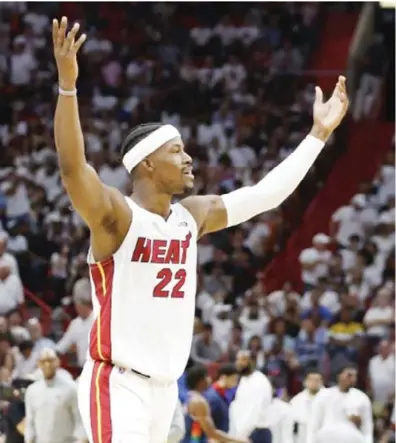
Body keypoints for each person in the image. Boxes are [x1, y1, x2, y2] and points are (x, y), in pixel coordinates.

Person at [52, 15, 349, 443]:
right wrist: (67, 85)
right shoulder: (117, 217)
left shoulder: (192, 215)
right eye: (177, 151)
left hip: (165, 388)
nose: (189, 158)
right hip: (119, 384)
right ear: (148, 164)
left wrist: (318, 135)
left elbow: (266, 195)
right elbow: (71, 168)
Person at [24, 348, 86, 443]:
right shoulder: (32, 391)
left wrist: (81, 439)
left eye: (50, 361)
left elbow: (79, 420)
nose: (47, 365)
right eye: (43, 361)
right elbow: (30, 422)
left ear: (57, 362)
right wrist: (29, 439)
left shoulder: (71, 388)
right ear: (38, 364)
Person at [307, 365, 373, 443]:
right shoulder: (324, 395)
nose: (353, 379)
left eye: (355, 376)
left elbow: (367, 428)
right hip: (327, 438)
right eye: (349, 375)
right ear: (339, 376)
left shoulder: (361, 398)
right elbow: (314, 424)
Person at [183, 365, 248, 443]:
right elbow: (211, 433)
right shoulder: (199, 402)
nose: (210, 379)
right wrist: (238, 440)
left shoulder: (190, 396)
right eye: (207, 376)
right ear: (201, 381)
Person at [229, 350, 273, 442]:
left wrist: (244, 435)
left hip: (256, 433)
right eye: (237, 360)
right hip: (245, 433)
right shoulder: (244, 380)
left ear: (252, 362)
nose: (238, 363)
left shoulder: (259, 381)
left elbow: (255, 410)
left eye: (243, 360)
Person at [290, 369, 323, 443]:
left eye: (317, 380)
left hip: (322, 434)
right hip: (303, 435)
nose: (314, 383)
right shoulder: (297, 400)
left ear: (321, 382)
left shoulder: (329, 397)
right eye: (311, 380)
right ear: (305, 382)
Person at [204, 363, 239, 432]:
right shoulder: (212, 397)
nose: (235, 383)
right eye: (234, 379)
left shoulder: (224, 394)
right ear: (224, 377)